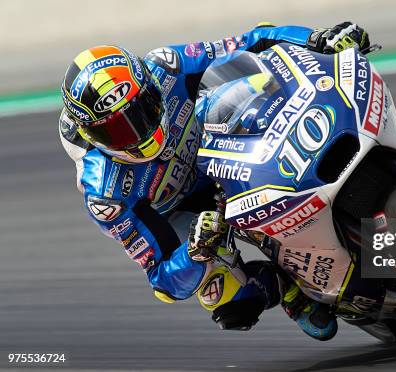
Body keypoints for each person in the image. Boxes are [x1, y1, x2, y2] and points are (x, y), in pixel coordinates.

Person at [59, 22, 372, 341]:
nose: (138, 131)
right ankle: (288, 290)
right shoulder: (105, 193)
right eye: (117, 130)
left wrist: (316, 39)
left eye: (142, 109)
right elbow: (163, 282)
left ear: (150, 84)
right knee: (227, 302)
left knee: (264, 82)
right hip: (189, 212)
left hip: (228, 150)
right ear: (90, 136)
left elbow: (254, 40)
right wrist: (194, 251)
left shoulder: (168, 66)